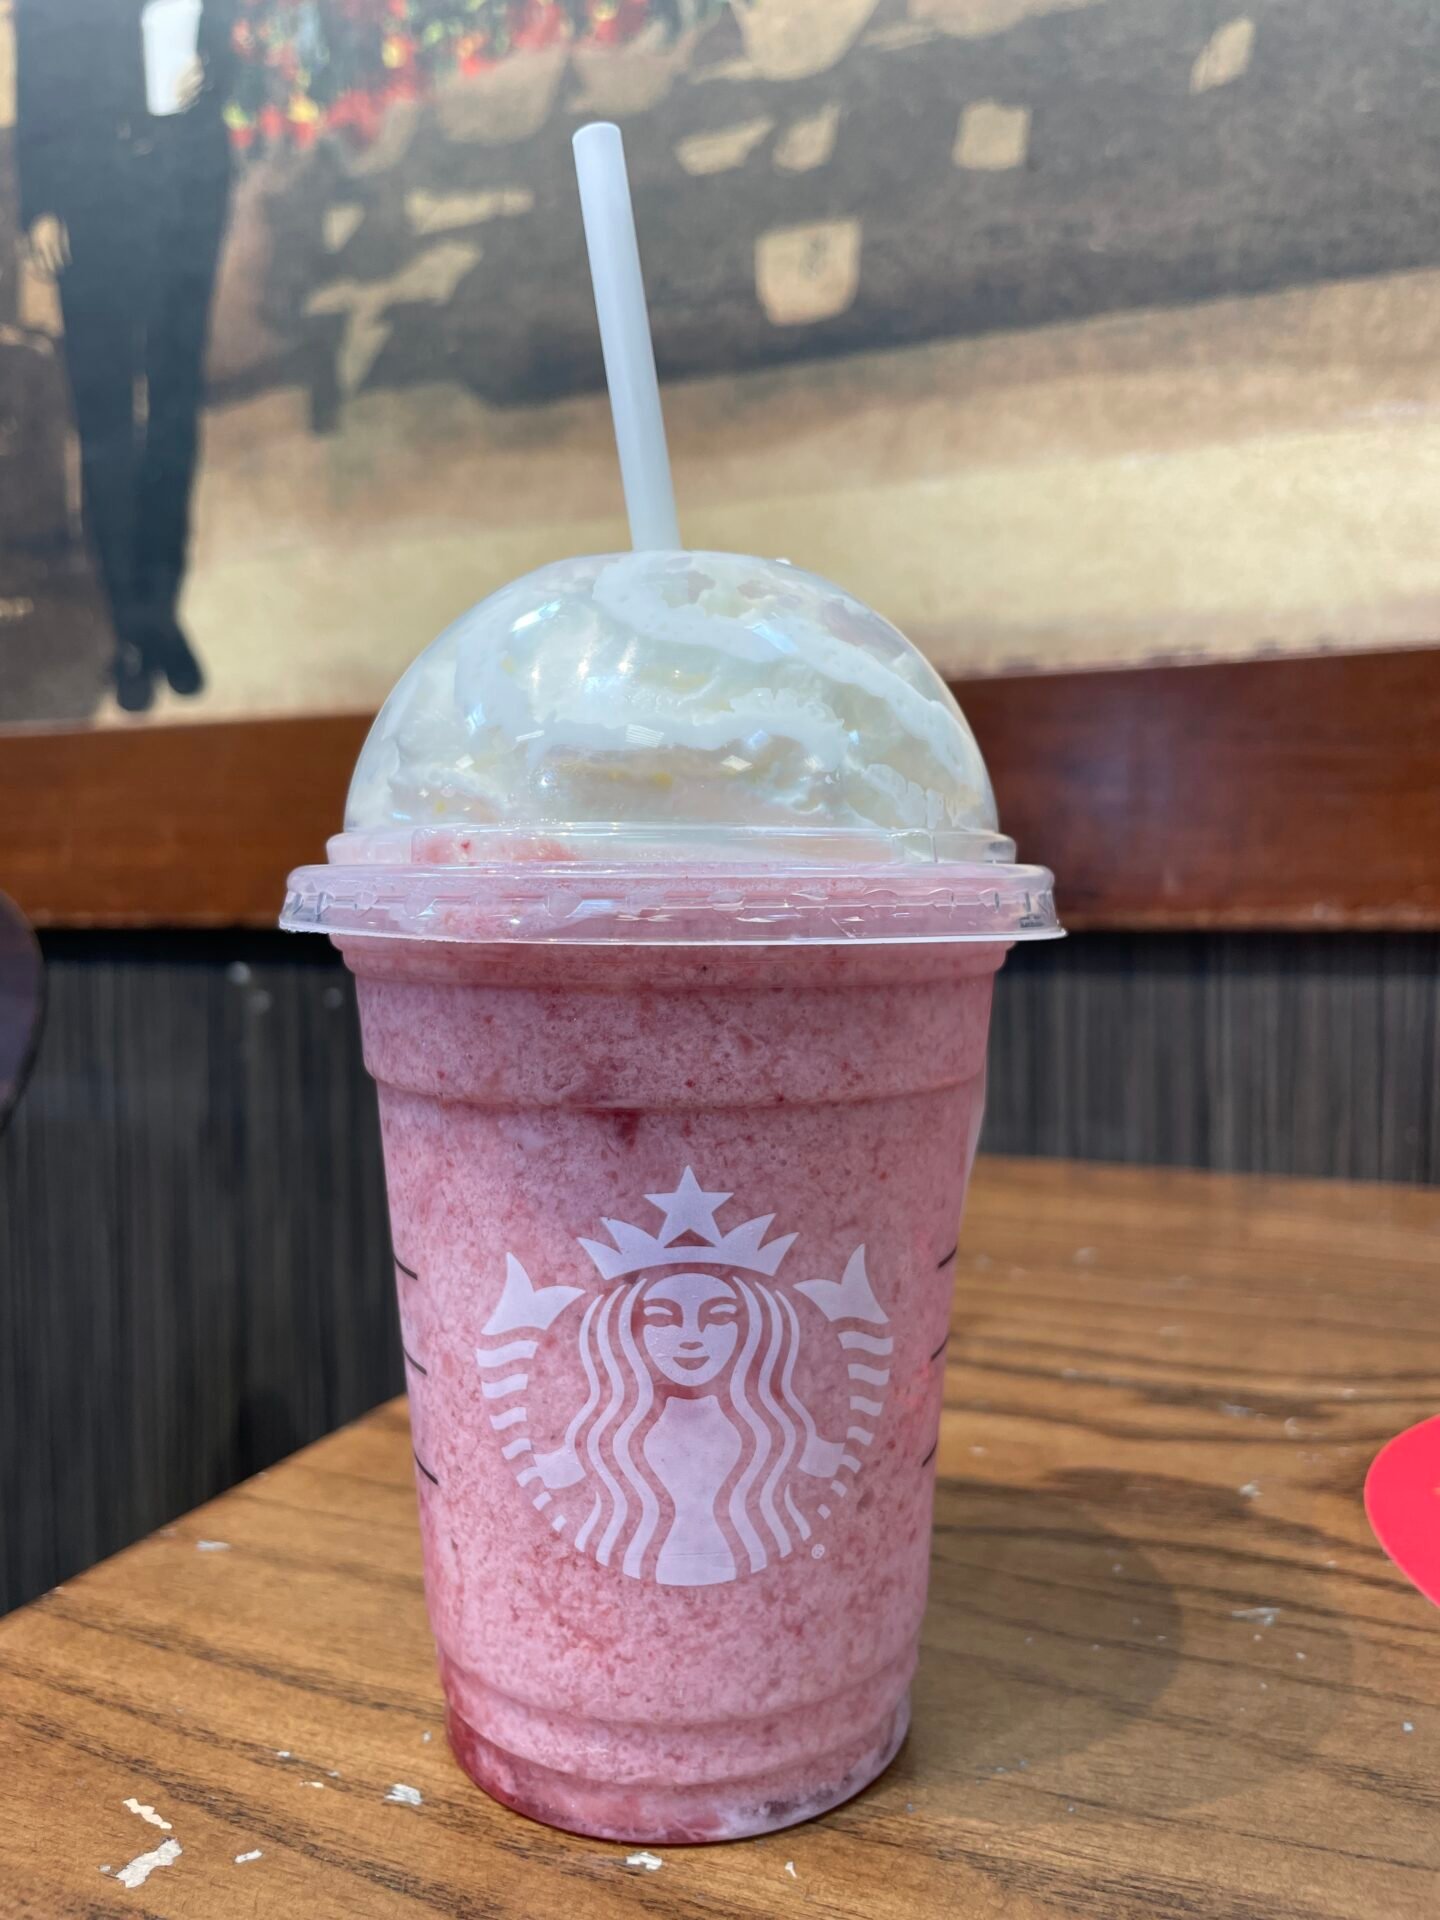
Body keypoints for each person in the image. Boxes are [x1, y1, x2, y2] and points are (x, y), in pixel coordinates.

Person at [15, 0, 237, 711]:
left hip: (187, 193)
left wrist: (213, 77)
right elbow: (41, 77)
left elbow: (230, 48)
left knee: (173, 411)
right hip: (93, 202)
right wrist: (42, 202)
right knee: (110, 423)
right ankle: (129, 632)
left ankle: (161, 612)